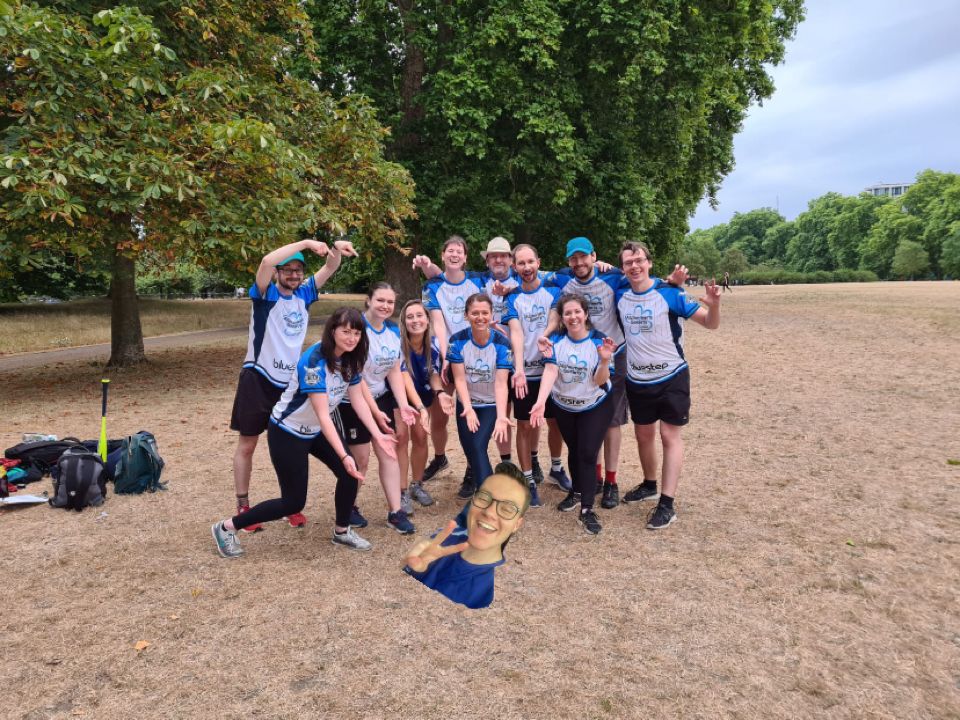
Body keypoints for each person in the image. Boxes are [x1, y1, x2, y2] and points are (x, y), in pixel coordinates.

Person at [212, 307, 395, 557]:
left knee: (350, 475)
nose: (352, 338)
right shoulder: (314, 362)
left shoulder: (352, 358)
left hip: (316, 429)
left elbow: (358, 401)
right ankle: (226, 527)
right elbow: (324, 415)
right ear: (332, 331)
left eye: (356, 333)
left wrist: (378, 433)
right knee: (293, 502)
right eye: (346, 332)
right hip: (288, 431)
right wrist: (344, 455)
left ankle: (342, 531)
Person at [541, 237, 687, 511]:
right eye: (574, 258)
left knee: (611, 421)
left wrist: (671, 281)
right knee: (587, 416)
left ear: (594, 256)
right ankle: (593, 479)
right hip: (580, 356)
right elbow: (531, 275)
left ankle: (611, 481)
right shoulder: (562, 278)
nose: (579, 263)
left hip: (614, 355)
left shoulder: (614, 276)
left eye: (584, 257)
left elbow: (643, 280)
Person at [230, 238, 357, 532]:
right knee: (248, 444)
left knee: (287, 443)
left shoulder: (304, 294)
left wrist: (335, 248)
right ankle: (243, 505)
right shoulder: (266, 294)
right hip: (258, 378)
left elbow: (331, 266)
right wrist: (306, 243)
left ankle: (289, 504)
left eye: (298, 270)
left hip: (290, 383)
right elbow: (265, 261)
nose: (294, 275)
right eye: (287, 270)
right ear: (278, 272)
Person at [615, 242, 721, 529]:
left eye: (639, 260)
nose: (634, 266)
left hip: (672, 376)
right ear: (622, 268)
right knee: (643, 435)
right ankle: (649, 485)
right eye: (628, 263)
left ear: (649, 262)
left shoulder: (670, 294)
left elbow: (710, 324)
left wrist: (714, 305)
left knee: (668, 436)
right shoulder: (619, 294)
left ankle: (667, 504)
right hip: (637, 379)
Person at [529, 295, 615, 535]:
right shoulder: (556, 341)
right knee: (575, 450)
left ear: (585, 314)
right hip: (564, 405)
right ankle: (577, 491)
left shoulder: (599, 341)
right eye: (567, 313)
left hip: (595, 405)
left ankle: (587, 509)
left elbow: (600, 380)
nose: (573, 317)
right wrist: (540, 402)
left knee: (587, 453)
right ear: (562, 318)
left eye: (577, 312)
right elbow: (551, 371)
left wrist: (604, 361)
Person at [338, 283, 419, 534]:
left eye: (390, 302)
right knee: (360, 459)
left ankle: (395, 512)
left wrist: (403, 405)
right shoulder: (357, 329)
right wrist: (374, 412)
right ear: (369, 300)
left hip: (381, 398)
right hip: (353, 401)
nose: (385, 306)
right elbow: (357, 378)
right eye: (380, 300)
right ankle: (348, 507)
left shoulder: (393, 330)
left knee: (389, 453)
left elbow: (394, 370)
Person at [403, 464, 531, 609]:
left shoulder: (487, 594)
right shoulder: (440, 541)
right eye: (484, 498)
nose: (489, 512)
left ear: (517, 524)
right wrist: (411, 568)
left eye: (507, 509)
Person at [502, 244, 564, 502]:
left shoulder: (554, 290)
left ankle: (557, 468)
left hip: (551, 370)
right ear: (514, 267)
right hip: (526, 373)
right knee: (525, 425)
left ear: (538, 262)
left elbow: (555, 319)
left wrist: (544, 335)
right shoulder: (511, 298)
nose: (526, 267)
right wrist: (518, 369)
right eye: (521, 263)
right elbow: (515, 333)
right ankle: (528, 479)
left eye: (530, 262)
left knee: (555, 422)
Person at [447, 293, 515, 498]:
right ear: (466, 315)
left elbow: (501, 384)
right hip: (467, 403)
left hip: (490, 404)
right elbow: (459, 379)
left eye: (485, 313)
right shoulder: (457, 341)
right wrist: (467, 408)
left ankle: (488, 496)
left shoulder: (502, 343)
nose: (480, 317)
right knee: (470, 449)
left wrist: (501, 416)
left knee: (477, 446)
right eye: (475, 313)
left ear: (491, 314)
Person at [396, 299, 455, 508]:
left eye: (419, 315)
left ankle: (417, 484)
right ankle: (401, 491)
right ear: (404, 321)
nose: (415, 320)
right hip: (399, 397)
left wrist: (440, 393)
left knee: (421, 437)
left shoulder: (434, 344)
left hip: (423, 394)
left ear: (428, 319)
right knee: (401, 439)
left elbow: (433, 374)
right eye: (410, 317)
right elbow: (403, 379)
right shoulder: (397, 344)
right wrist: (420, 407)